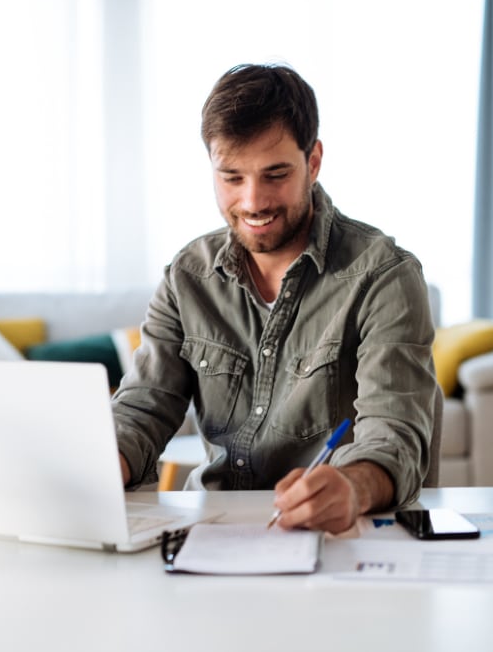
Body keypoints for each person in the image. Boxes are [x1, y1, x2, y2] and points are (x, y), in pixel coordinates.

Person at [113, 63, 439, 534]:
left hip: (337, 540)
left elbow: (395, 435)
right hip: (211, 534)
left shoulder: (384, 276)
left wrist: (352, 486)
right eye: (231, 177)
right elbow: (143, 408)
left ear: (315, 161)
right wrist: (103, 465)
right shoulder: (188, 275)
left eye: (275, 174)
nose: (252, 201)